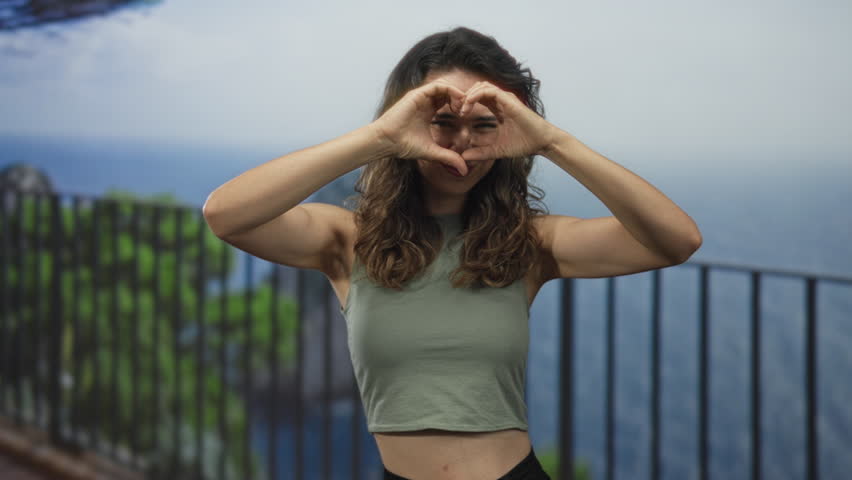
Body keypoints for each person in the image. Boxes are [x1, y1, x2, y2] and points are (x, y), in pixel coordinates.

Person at [203, 26, 701, 480]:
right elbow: (225, 215)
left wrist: (551, 141)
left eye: (485, 124)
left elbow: (677, 241)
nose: (462, 141)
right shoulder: (347, 239)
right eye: (441, 119)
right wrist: (379, 137)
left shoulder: (530, 243)